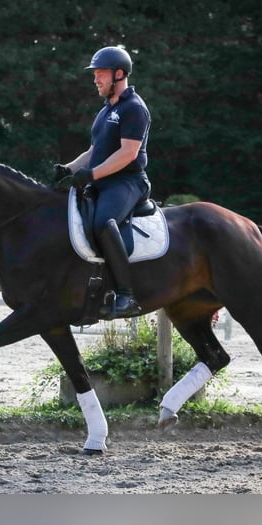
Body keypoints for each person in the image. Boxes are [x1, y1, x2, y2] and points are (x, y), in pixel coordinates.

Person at [54, 45, 152, 320]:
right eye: (95, 74)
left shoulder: (134, 108)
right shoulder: (106, 109)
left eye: (101, 74)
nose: (95, 79)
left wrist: (93, 174)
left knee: (102, 223)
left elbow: (128, 153)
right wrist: (68, 169)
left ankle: (126, 295)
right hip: (104, 180)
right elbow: (93, 152)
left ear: (119, 74)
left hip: (128, 181)